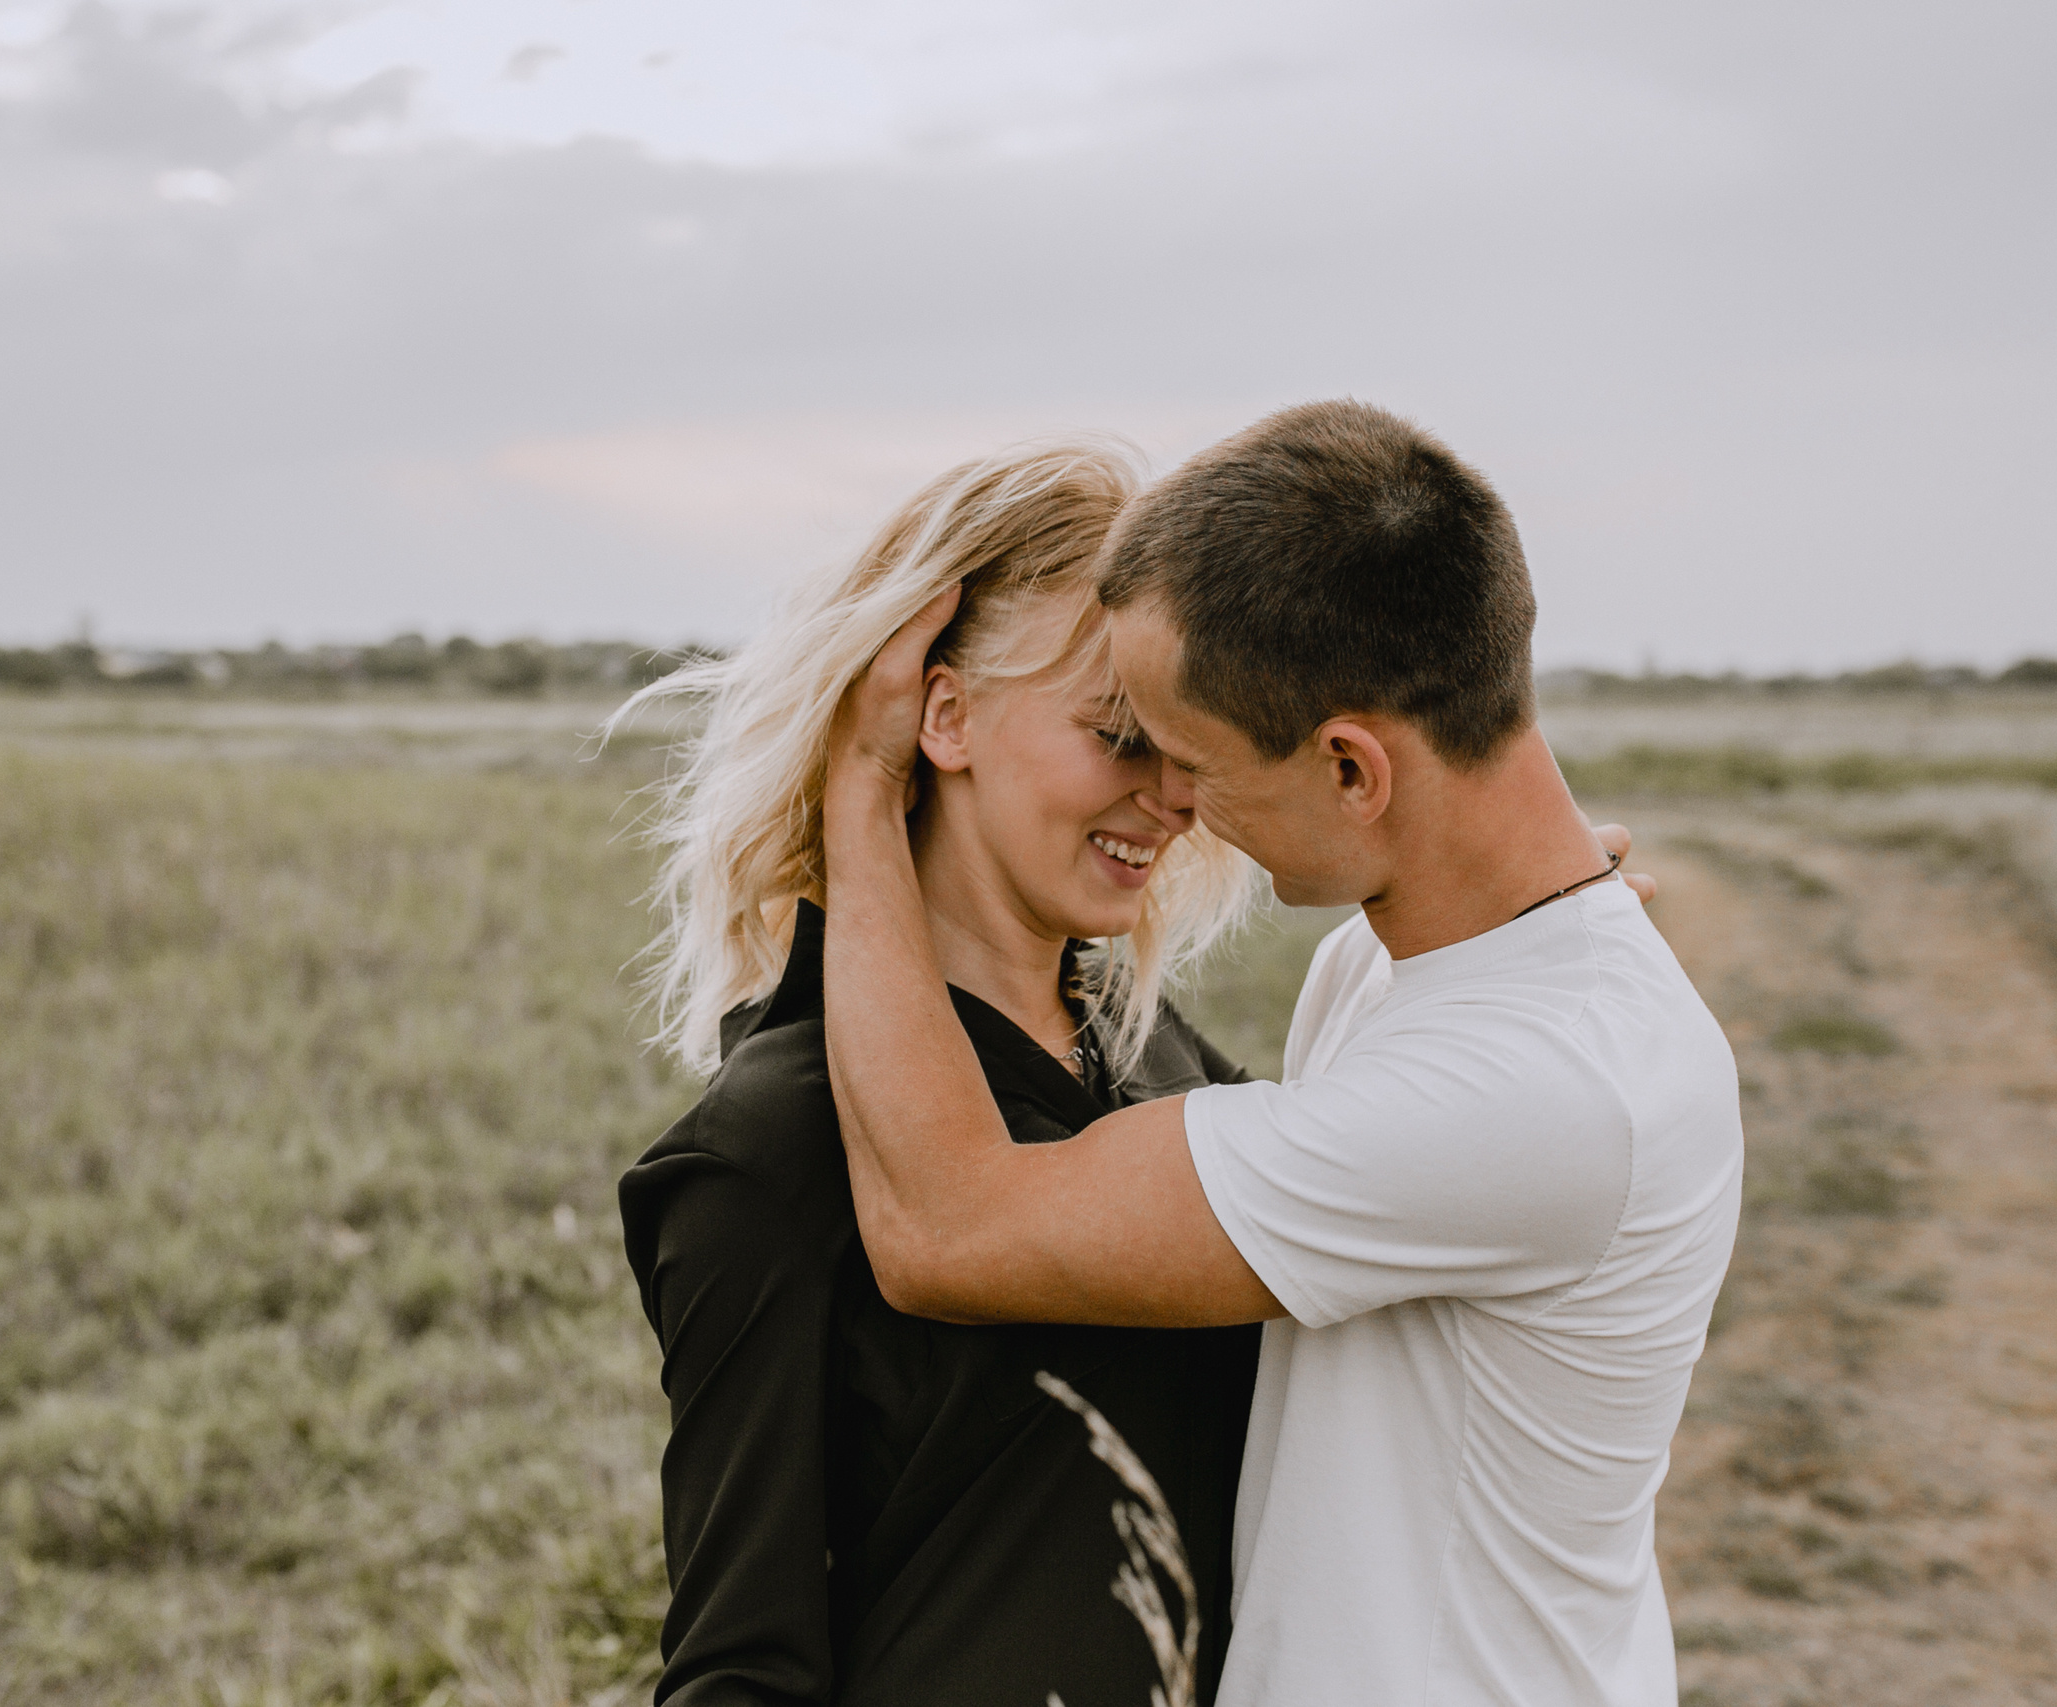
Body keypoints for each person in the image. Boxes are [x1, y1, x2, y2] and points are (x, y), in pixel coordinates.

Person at [815, 401, 1745, 1706]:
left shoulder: (1535, 1082)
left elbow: (943, 1227)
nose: (1179, 805)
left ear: (1354, 769)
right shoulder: (1430, 962)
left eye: (1193, 756)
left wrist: (857, 792)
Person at [615, 440, 1272, 1706]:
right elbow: (742, 1662)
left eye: (1188, 745)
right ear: (942, 712)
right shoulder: (771, 1150)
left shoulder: (1165, 1065)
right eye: (1119, 734)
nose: (1174, 797)